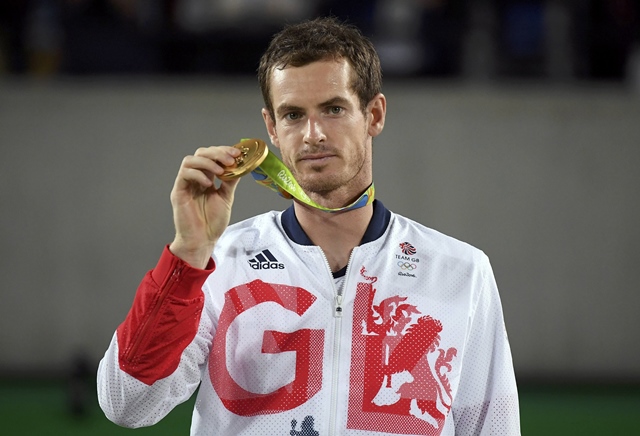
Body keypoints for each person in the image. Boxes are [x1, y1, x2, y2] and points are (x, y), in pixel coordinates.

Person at [97, 16, 520, 436]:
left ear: (374, 114)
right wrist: (188, 254)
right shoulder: (218, 263)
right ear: (272, 129)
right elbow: (127, 404)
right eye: (294, 115)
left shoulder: (459, 272)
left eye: (333, 109)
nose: (313, 133)